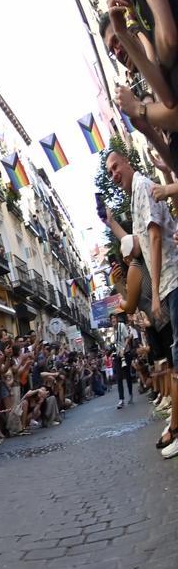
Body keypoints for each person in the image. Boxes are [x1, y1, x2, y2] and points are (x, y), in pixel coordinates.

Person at [110, 150, 178, 451]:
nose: (113, 174)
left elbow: (153, 237)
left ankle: (176, 427)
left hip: (173, 280)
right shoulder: (134, 194)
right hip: (168, 283)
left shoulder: (142, 187)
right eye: (109, 171)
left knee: (174, 360)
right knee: (174, 360)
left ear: (127, 164)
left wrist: (156, 294)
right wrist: (112, 223)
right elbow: (138, 242)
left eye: (115, 167)